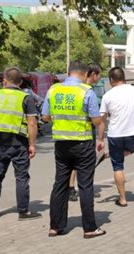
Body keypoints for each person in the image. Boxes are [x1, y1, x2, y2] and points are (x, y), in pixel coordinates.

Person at [42, 61, 106, 238]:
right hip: (82, 143)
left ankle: (55, 227)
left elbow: (45, 117)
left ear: (68, 72)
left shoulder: (53, 90)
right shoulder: (87, 92)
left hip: (61, 144)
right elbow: (95, 120)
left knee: (60, 185)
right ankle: (90, 228)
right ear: (85, 74)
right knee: (85, 186)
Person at [0, 67, 42, 220]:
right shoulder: (25, 98)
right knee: (21, 177)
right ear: (20, 82)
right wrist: (32, 144)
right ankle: (23, 211)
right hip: (19, 144)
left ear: (4, 80)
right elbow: (32, 124)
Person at [99, 67, 134, 207]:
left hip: (115, 135)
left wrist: (100, 139)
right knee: (131, 150)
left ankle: (122, 199)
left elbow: (102, 120)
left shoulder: (107, 96)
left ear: (111, 80)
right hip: (133, 134)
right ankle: (114, 154)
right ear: (124, 77)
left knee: (118, 166)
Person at [68, 63, 104, 202]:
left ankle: (73, 188)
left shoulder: (82, 88)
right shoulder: (86, 90)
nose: (100, 78)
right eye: (99, 74)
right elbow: (95, 118)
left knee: (74, 163)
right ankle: (76, 189)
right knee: (81, 163)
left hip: (73, 130)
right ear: (93, 74)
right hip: (83, 132)